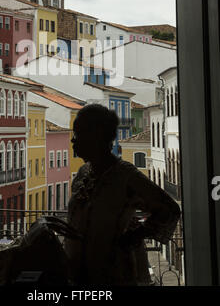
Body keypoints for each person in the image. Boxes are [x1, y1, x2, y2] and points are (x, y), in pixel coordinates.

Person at [64, 104, 181, 286]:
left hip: (115, 273)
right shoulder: (83, 174)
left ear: (97, 138)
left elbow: (169, 209)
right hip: (80, 273)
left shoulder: (125, 176)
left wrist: (132, 237)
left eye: (78, 135)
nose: (73, 141)